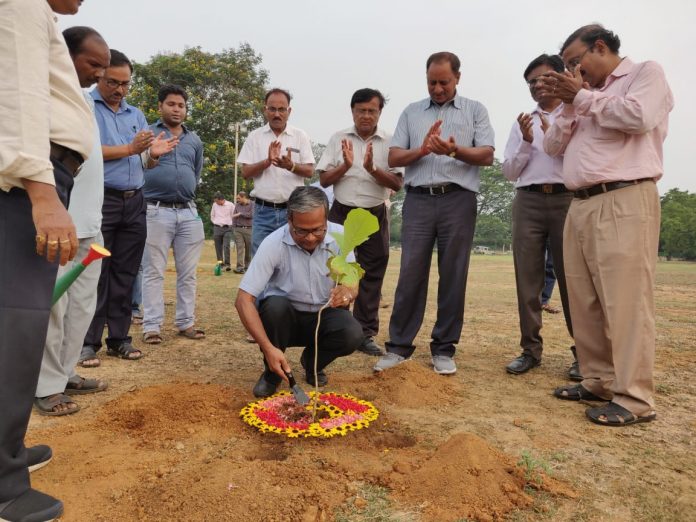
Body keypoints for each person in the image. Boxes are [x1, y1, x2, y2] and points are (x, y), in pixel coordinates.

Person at [542, 24, 673, 426]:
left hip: (625, 197)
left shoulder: (644, 74)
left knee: (626, 302)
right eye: (567, 67)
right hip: (579, 204)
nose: (573, 73)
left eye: (575, 62)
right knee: (584, 300)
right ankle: (597, 378)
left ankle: (634, 398)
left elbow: (638, 116)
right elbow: (551, 147)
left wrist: (581, 97)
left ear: (600, 47)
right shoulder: (581, 99)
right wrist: (568, 105)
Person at [0, 1, 94, 519]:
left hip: (33, 180)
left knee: (16, 326)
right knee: (14, 330)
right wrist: (41, 193)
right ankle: (4, 484)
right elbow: (18, 98)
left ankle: (8, 453)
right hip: (25, 184)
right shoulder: (21, 3)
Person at [374, 51, 495, 375]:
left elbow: (486, 154)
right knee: (410, 273)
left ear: (457, 78)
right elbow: (396, 156)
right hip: (418, 200)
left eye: (444, 82)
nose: (437, 88)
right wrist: (424, 150)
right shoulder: (412, 112)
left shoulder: (475, 110)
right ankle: (398, 346)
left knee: (454, 274)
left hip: (458, 199)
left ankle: (444, 348)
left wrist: (454, 149)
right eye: (432, 82)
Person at [79, 49, 177, 366]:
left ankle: (119, 338)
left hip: (135, 200)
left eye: (125, 83)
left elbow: (141, 160)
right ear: (100, 77)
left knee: (126, 271)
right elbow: (85, 150)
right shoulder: (85, 107)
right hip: (101, 198)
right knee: (97, 272)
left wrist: (153, 155)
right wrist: (130, 148)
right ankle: (87, 341)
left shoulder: (135, 114)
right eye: (112, 82)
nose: (119, 90)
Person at [34, 26, 111, 416]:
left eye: (106, 67)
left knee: (81, 308)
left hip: (90, 224)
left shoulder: (83, 100)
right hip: (58, 222)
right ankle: (45, 386)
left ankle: (65, 374)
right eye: (93, 64)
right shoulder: (44, 94)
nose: (100, 74)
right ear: (66, 54)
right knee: (54, 309)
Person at [235, 186, 363, 397]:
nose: (311, 238)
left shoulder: (341, 237)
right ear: (289, 220)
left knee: (352, 332)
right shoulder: (273, 243)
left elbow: (353, 281)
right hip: (285, 321)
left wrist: (348, 292)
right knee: (275, 306)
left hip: (324, 316)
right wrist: (267, 348)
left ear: (326, 220)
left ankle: (313, 363)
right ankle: (272, 374)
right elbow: (243, 300)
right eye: (301, 231)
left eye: (318, 230)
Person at [502, 54, 577, 377]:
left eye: (544, 78)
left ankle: (584, 353)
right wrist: (527, 142)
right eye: (531, 82)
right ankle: (530, 349)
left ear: (562, 76)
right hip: (528, 201)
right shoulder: (524, 122)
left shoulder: (576, 112)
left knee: (575, 281)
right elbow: (508, 171)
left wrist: (552, 137)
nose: (536, 86)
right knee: (527, 281)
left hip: (567, 199)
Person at [317, 88, 403, 356]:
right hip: (341, 212)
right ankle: (336, 327)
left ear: (380, 112)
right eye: (361, 110)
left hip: (374, 214)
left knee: (371, 275)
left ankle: (365, 333)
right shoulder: (338, 138)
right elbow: (323, 180)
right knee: (336, 271)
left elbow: (398, 183)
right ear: (352, 110)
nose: (366, 116)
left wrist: (372, 169)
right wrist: (345, 165)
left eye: (372, 111)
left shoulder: (391, 142)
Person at [141, 85, 205, 344]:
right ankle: (152, 326)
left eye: (181, 105)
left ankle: (186, 322)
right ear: (160, 107)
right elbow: (140, 165)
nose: (176, 109)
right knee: (153, 270)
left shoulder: (194, 140)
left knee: (188, 272)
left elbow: (196, 172)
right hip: (155, 210)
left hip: (188, 212)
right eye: (171, 104)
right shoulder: (148, 134)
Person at [238, 88, 315, 254]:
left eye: (282, 109)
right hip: (263, 211)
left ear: (289, 111)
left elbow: (309, 171)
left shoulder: (300, 136)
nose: (277, 114)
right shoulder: (255, 137)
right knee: (261, 261)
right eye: (272, 109)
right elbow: (245, 172)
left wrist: (291, 166)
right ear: (265, 110)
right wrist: (267, 162)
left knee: (295, 259)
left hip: (293, 211)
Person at [211, 192, 234, 271]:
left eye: (217, 201)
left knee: (226, 246)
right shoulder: (214, 205)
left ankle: (227, 264)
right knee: (218, 247)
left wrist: (230, 224)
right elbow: (212, 215)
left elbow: (233, 216)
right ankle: (220, 264)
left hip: (227, 228)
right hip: (217, 228)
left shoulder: (230, 205)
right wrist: (215, 222)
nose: (216, 202)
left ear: (222, 200)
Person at [232, 191, 253, 273]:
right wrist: (233, 228)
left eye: (238, 198)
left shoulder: (252, 204)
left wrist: (240, 213)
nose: (237, 200)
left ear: (244, 197)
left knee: (249, 249)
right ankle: (239, 268)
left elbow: (252, 215)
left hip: (249, 229)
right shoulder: (237, 205)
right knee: (239, 248)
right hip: (238, 229)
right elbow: (234, 216)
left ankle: (247, 267)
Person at [540, 240, 559, 314]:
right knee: (538, 266)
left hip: (552, 235)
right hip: (538, 234)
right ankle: (534, 300)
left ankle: (544, 301)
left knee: (551, 268)